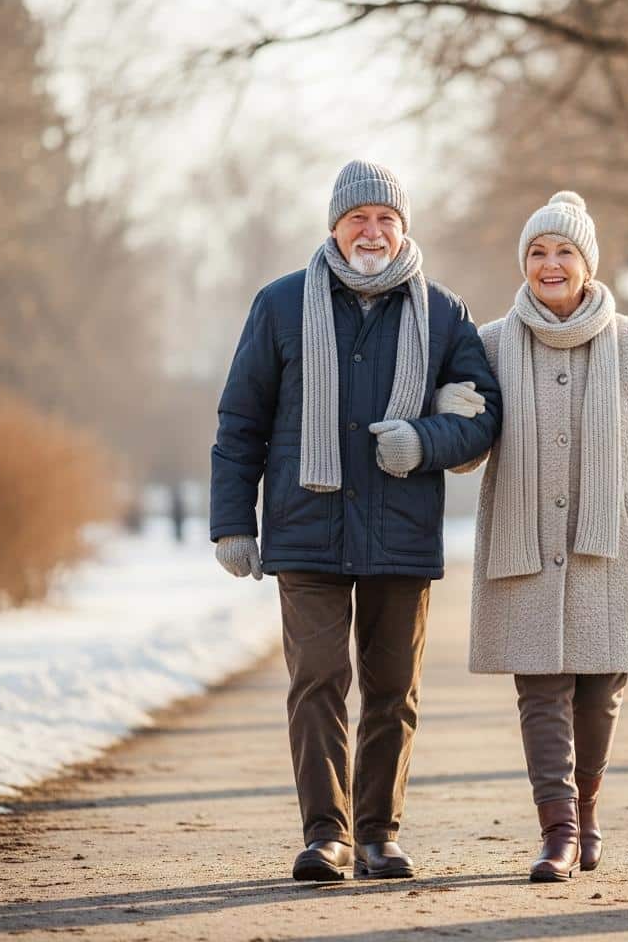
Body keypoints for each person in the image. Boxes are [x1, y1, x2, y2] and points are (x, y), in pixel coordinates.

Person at [210, 161, 502, 882]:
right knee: (316, 681)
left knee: (391, 688)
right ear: (334, 227)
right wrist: (231, 522)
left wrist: (422, 442)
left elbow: (483, 417)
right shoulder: (280, 306)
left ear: (404, 229)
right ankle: (325, 836)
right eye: (358, 219)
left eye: (386, 220)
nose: (372, 231)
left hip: (401, 534)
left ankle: (377, 834)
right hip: (304, 530)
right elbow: (241, 420)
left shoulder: (443, 313)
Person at [444, 191, 628, 882]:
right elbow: (469, 451)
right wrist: (453, 412)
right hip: (523, 543)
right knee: (540, 691)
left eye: (563, 252)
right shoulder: (492, 342)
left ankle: (587, 813)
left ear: (587, 264)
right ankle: (557, 832)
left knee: (598, 693)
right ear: (523, 264)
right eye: (537, 252)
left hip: (611, 549)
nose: (549, 264)